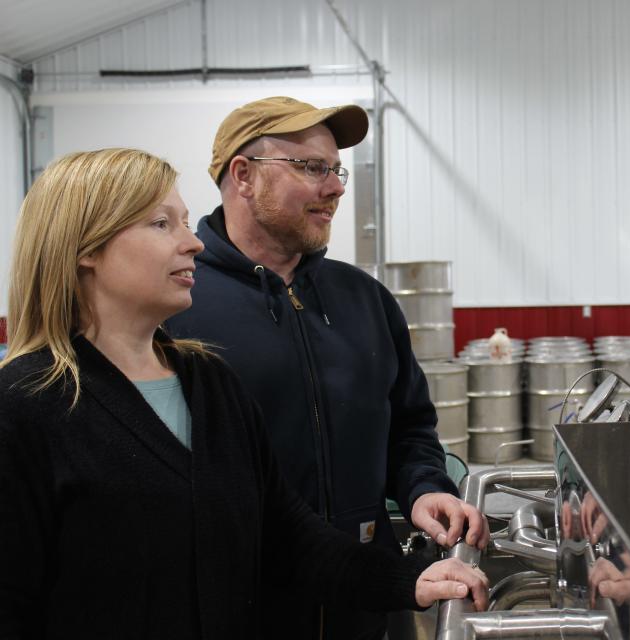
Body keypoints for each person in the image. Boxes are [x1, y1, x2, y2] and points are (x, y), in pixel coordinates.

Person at [0, 148, 488, 640]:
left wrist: (410, 581)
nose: (192, 243)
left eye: (187, 222)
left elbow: (286, 535)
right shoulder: (26, 405)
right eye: (161, 224)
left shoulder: (209, 382)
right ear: (86, 247)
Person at [164, 96, 490, 638]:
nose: (337, 186)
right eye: (312, 168)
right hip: (243, 609)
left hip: (371, 602)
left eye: (335, 169)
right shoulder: (179, 305)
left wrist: (422, 487)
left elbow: (410, 425)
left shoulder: (366, 299)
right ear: (243, 176)